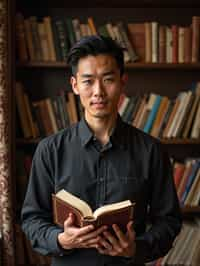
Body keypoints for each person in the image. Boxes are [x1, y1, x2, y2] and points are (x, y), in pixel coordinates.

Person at [21, 35, 182, 266]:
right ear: (75, 85)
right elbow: (32, 219)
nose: (98, 91)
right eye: (88, 81)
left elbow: (169, 221)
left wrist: (136, 248)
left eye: (108, 80)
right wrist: (61, 240)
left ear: (122, 81)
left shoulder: (151, 150)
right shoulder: (50, 151)